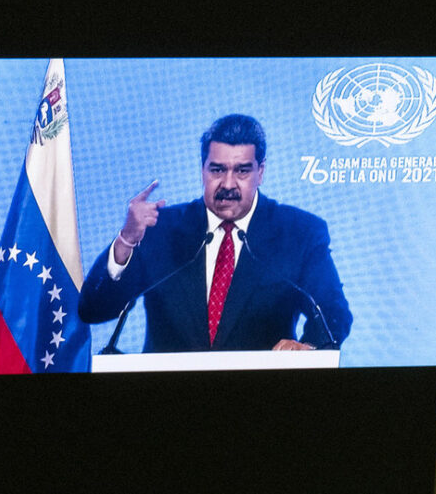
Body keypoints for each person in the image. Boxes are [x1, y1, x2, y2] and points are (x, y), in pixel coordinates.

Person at [78, 114, 352, 353]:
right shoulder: (160, 230)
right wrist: (126, 239)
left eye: (242, 171)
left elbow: (333, 313)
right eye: (217, 170)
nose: (228, 184)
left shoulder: (299, 233)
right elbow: (93, 309)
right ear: (202, 170)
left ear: (261, 172)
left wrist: (308, 348)